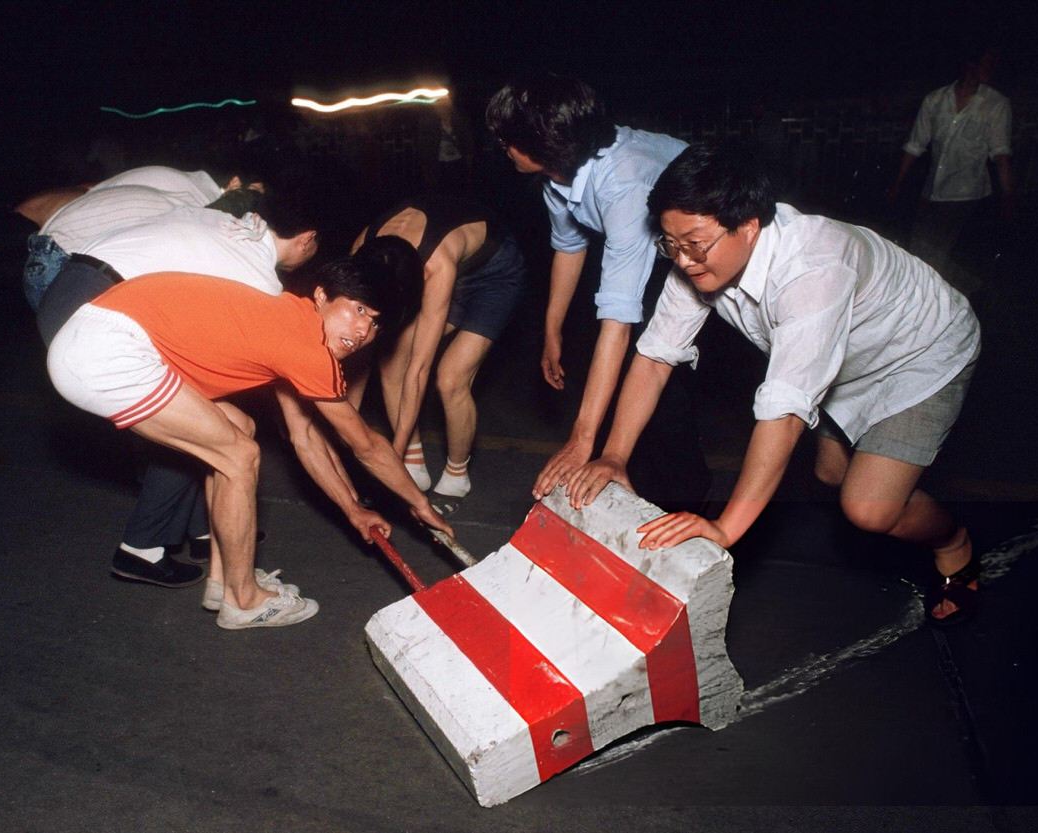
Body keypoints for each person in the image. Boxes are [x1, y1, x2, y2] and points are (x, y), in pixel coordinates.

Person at [565, 141, 982, 626]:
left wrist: (724, 529)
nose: (682, 260)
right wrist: (615, 455)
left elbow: (783, 414)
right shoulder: (696, 259)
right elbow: (655, 357)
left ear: (749, 225)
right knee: (829, 473)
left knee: (870, 510)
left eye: (695, 243)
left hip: (919, 352)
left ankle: (955, 543)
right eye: (670, 244)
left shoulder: (814, 269)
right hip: (840, 356)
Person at [47, 259, 453, 629]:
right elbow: (366, 446)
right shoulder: (304, 348)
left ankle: (223, 583)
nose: (364, 331)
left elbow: (304, 435)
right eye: (359, 309)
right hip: (106, 351)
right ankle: (243, 601)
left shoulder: (290, 318)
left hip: (101, 335)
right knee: (238, 456)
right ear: (322, 296)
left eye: (376, 324)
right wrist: (419, 504)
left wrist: (353, 509)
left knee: (237, 428)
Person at [37, 187, 324, 597]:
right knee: (197, 433)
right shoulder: (259, 278)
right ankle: (143, 547)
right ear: (306, 239)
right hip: (97, 306)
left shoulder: (238, 224)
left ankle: (211, 533)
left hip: (66, 279)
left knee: (222, 423)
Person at [485, 72, 710, 510]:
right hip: (659, 252)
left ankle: (684, 503)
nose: (504, 150)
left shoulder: (625, 184)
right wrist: (552, 332)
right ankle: (636, 481)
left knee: (658, 385)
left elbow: (618, 319)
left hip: (707, 258)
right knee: (626, 375)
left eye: (508, 141)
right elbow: (570, 247)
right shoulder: (560, 175)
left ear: (541, 144)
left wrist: (580, 440)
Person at [349, 195, 526, 514]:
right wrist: (346, 424)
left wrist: (390, 463)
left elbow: (420, 369)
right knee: (391, 362)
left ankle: (456, 475)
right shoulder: (363, 249)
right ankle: (413, 462)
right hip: (446, 261)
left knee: (450, 377)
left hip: (494, 277)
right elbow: (358, 356)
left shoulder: (436, 266)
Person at [18, 165, 251, 311]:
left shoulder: (181, 183)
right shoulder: (200, 210)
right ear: (234, 184)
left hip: (47, 252)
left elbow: (94, 190)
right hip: (67, 262)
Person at [888, 45, 1013, 296]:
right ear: (970, 65)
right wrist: (896, 185)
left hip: (968, 193)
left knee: (938, 253)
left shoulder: (996, 104)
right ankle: (922, 300)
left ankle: (930, 304)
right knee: (920, 250)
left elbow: (1000, 154)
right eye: (986, 63)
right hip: (932, 189)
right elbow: (915, 145)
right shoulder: (935, 100)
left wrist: (1008, 196)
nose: (992, 69)